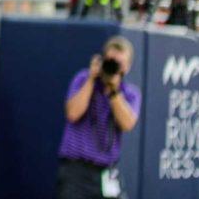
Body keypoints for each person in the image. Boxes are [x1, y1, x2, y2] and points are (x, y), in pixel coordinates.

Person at [56, 37, 142, 199]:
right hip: (77, 170)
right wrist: (91, 79)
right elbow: (73, 113)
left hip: (107, 171)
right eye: (110, 61)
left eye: (119, 64)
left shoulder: (130, 93)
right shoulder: (83, 79)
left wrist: (113, 92)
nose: (113, 67)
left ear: (128, 67)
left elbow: (127, 124)